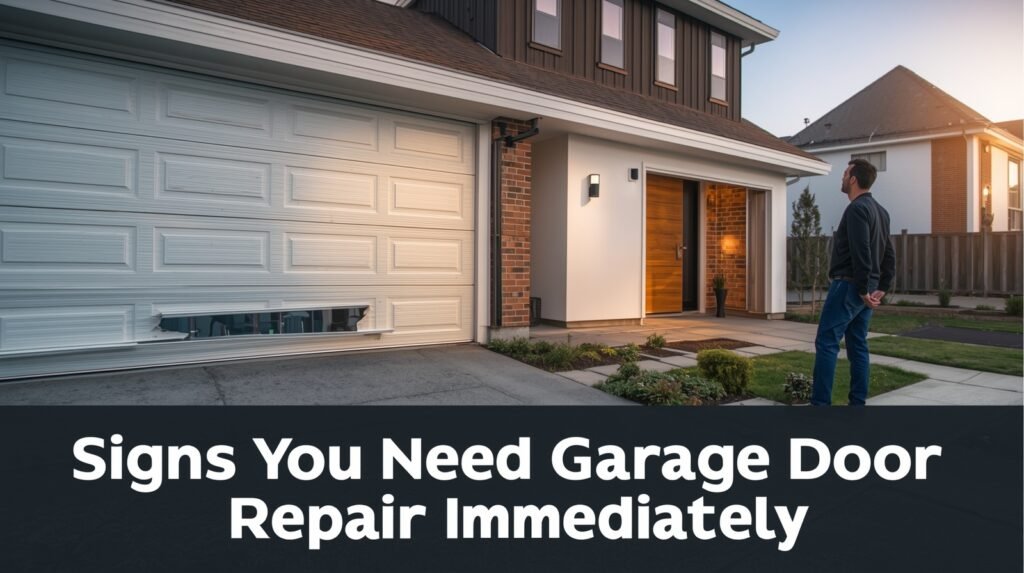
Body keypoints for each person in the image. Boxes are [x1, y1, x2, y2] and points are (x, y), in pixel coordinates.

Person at [811, 158, 896, 406]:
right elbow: (889, 252)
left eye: (845, 173)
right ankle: (858, 404)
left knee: (827, 342)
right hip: (866, 290)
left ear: (854, 179)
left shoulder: (857, 209)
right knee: (858, 345)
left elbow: (863, 251)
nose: (842, 178)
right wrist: (882, 286)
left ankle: (819, 406)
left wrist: (861, 288)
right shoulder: (881, 211)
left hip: (849, 287)